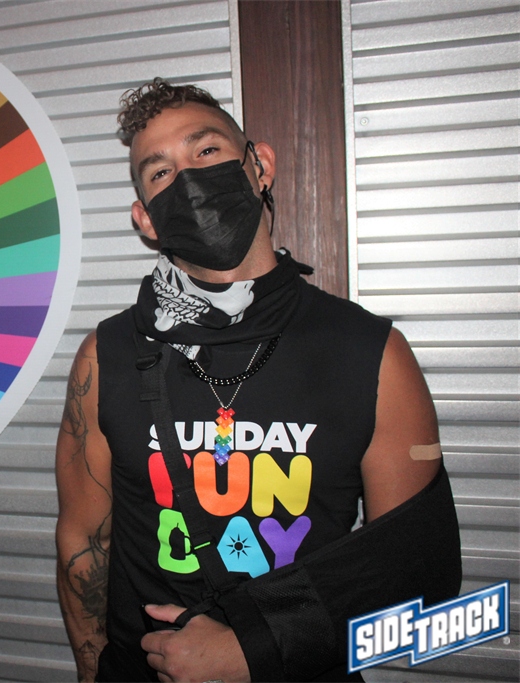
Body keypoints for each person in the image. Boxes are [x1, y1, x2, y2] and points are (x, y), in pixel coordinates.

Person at [54, 79, 461, 682]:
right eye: (160, 173)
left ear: (260, 166)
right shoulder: (106, 356)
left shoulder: (369, 352)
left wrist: (257, 646)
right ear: (146, 220)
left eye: (207, 150)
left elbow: (421, 570)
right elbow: (83, 542)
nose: (189, 178)